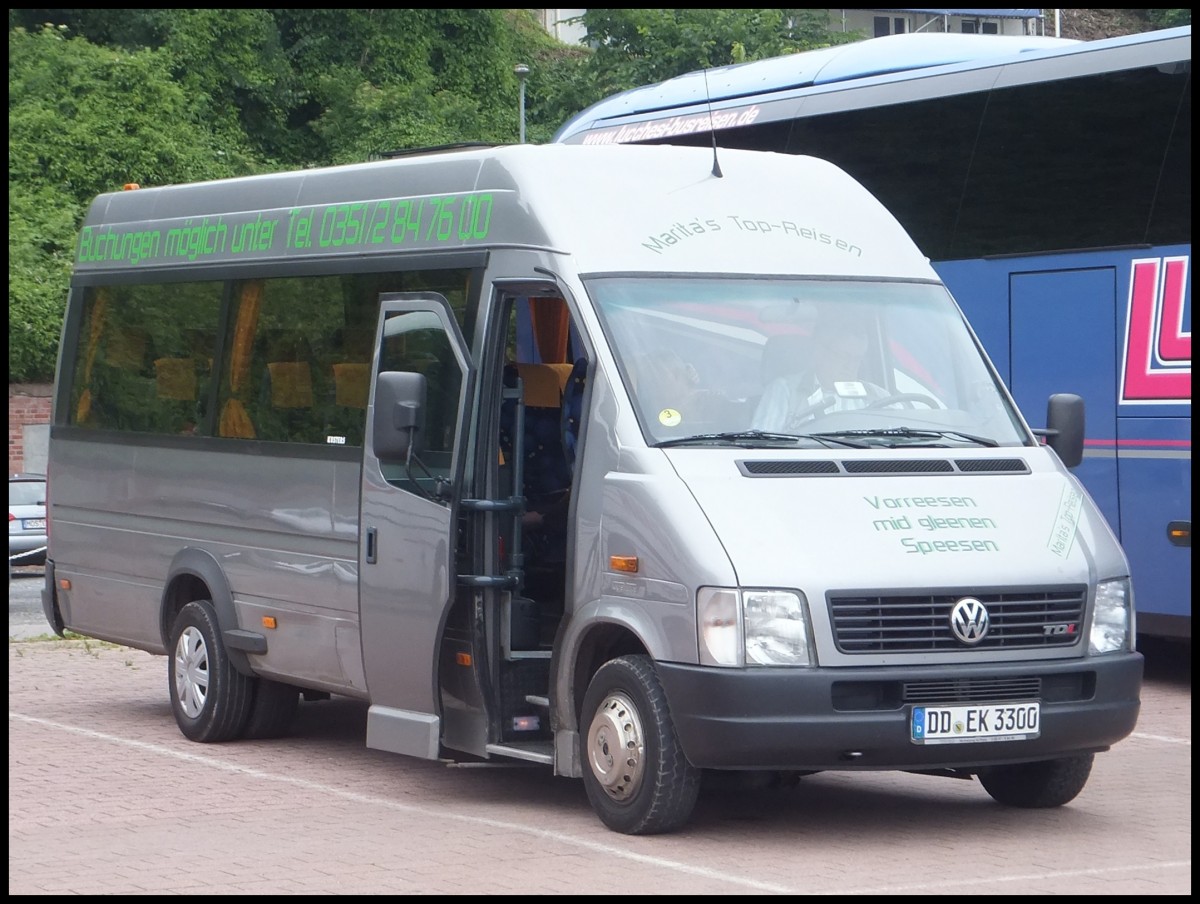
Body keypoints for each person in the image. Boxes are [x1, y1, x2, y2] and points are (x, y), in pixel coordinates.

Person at [751, 306, 890, 431]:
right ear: (819, 353)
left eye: (857, 359)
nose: (851, 366)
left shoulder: (878, 398)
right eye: (843, 356)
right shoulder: (784, 391)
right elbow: (760, 446)